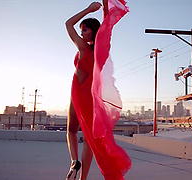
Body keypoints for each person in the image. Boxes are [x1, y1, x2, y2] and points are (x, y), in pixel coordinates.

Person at [65, 1, 131, 180]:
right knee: (88, 138)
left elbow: (67, 24)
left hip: (79, 92)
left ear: (93, 30)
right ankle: (82, 177)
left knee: (72, 130)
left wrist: (88, 9)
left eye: (85, 29)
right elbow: (107, 24)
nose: (82, 33)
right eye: (81, 30)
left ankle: (74, 161)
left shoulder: (84, 48)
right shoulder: (100, 50)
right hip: (86, 94)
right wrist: (104, 5)